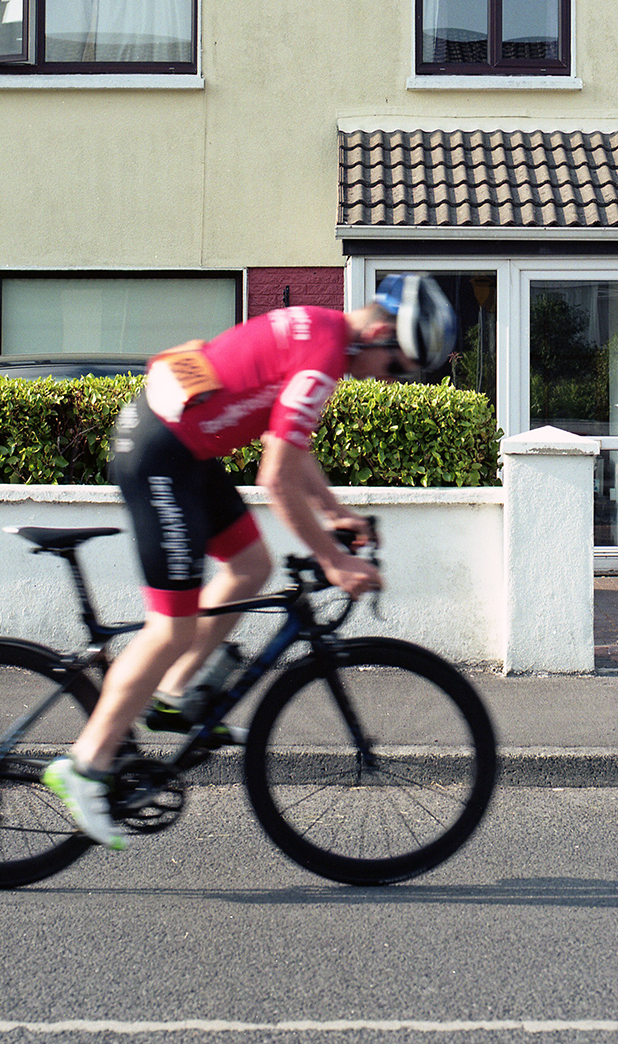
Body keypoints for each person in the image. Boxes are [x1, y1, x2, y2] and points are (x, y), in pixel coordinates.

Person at [42, 273, 457, 849]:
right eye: (397, 367)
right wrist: (334, 559)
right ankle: (84, 764)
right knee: (169, 627)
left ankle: (174, 695)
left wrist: (336, 512)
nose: (392, 379)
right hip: (161, 454)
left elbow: (289, 447)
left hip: (185, 449)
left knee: (249, 566)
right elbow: (276, 477)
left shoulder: (325, 333)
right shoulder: (325, 356)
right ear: (381, 333)